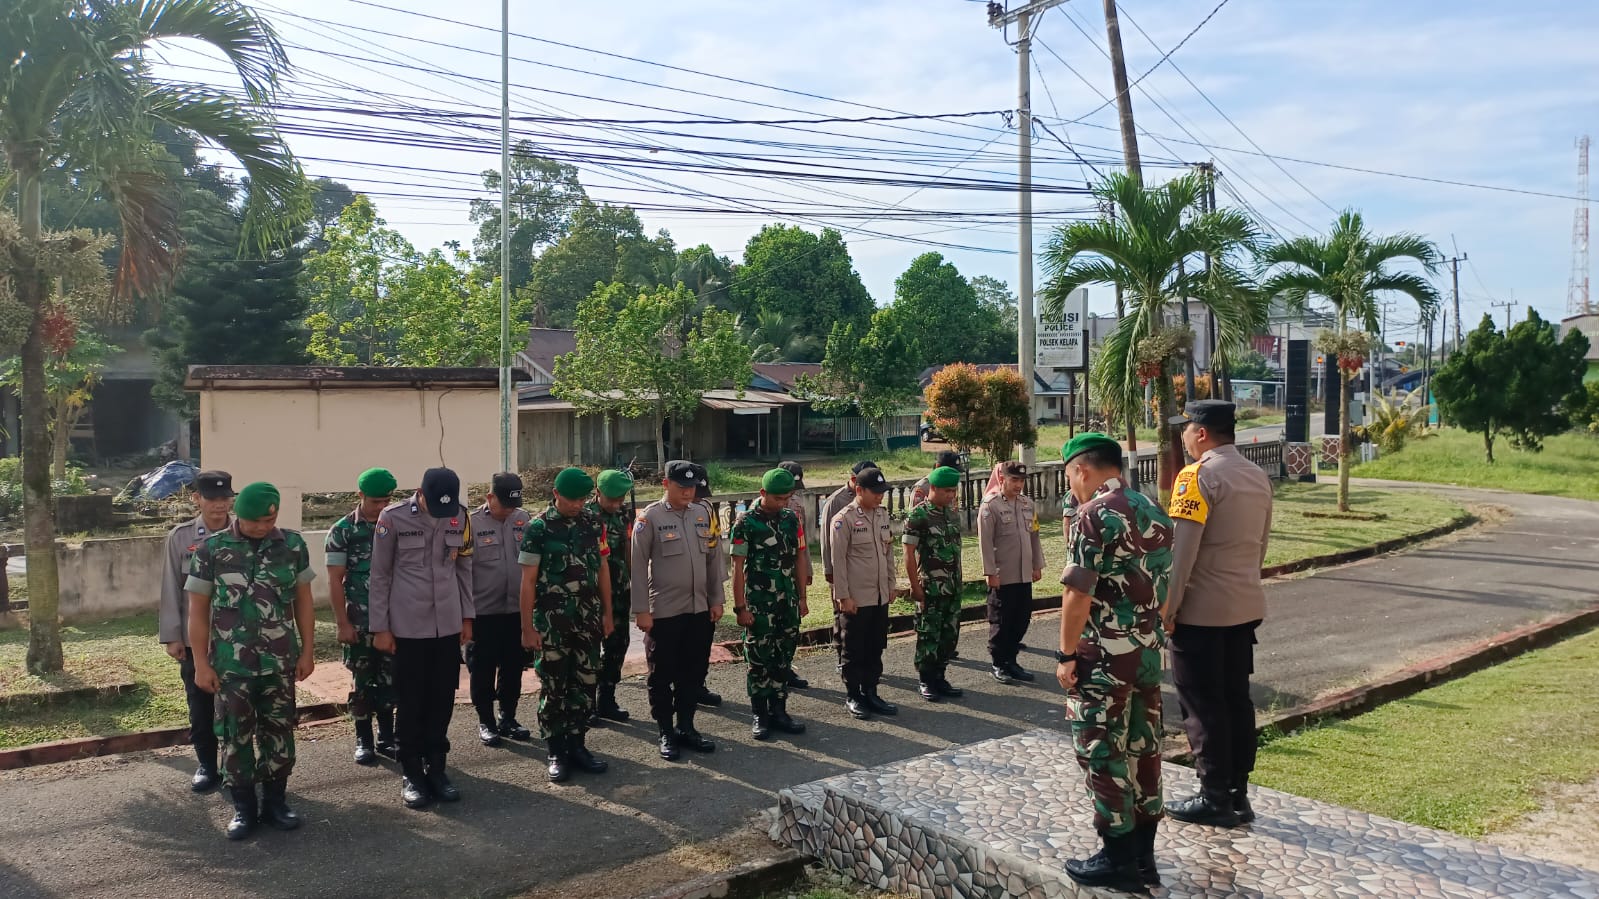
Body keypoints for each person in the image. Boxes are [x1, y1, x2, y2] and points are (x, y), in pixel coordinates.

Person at [1054, 434, 1174, 891]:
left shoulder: (1093, 516)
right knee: (1144, 748)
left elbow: (1077, 592)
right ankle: (1144, 858)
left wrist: (1066, 655)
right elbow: (1162, 587)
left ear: (1082, 469)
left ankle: (1118, 858)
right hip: (1145, 653)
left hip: (1103, 656)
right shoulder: (1152, 509)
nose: (1073, 486)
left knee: (1100, 749)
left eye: (1070, 476)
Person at [1163, 399, 1274, 828]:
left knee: (1202, 705)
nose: (1184, 436)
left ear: (1202, 433)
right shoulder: (1256, 475)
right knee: (1234, 700)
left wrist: (1168, 610)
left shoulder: (1197, 476)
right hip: (1243, 606)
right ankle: (1237, 793)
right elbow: (1261, 546)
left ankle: (1214, 797)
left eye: (1186, 429)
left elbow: (1181, 554)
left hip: (1202, 613)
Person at [184, 482, 316, 841]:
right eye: (254, 521)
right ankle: (244, 807)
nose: (262, 527)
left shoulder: (291, 545)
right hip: (231, 666)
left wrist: (308, 650)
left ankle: (276, 802)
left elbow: (303, 601)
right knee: (234, 735)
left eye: (268, 520)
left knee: (280, 731)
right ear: (238, 514)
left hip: (279, 661)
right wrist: (201, 663)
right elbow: (197, 612)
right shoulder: (212, 549)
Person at [369, 468, 474, 810]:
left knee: (442, 699)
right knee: (411, 701)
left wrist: (467, 616)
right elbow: (380, 575)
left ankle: (437, 768)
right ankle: (412, 773)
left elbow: (463, 569)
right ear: (419, 493)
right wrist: (380, 627)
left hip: (447, 624)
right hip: (407, 625)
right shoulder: (392, 518)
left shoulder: (458, 516)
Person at [519, 467, 613, 782]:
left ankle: (578, 745)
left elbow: (602, 569)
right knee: (554, 686)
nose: (577, 504)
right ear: (556, 494)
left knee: (586, 683)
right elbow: (528, 581)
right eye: (571, 499)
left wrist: (608, 613)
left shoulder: (593, 523)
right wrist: (527, 628)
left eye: (582, 499)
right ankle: (556, 751)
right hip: (550, 623)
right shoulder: (538, 528)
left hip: (587, 619)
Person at [632, 461, 725, 760]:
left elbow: (713, 559)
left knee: (692, 672)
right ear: (665, 484)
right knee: (662, 674)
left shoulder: (703, 514)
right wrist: (641, 611)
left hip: (698, 609)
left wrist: (716, 598)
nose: (688, 492)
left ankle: (686, 727)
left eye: (692, 487)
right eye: (681, 486)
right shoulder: (649, 519)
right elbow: (636, 567)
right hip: (664, 612)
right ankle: (665, 731)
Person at [157, 469, 233, 793]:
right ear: (197, 499)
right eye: (211, 499)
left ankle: (234, 767)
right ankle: (206, 764)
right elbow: (171, 589)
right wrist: (173, 635)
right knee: (199, 706)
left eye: (225, 498)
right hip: (194, 640)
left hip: (236, 640)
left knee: (235, 707)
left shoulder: (244, 533)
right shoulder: (181, 538)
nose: (219, 505)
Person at [325, 468, 398, 766]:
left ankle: (387, 738)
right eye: (375, 502)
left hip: (393, 622)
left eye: (386, 501)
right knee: (363, 681)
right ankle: (363, 739)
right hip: (359, 621)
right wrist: (342, 624)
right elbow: (334, 581)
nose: (381, 507)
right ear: (360, 496)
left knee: (390, 680)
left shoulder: (395, 526)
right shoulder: (343, 530)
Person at [731, 468, 810, 741]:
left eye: (787, 498)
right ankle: (759, 714)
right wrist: (740, 608)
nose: (783, 503)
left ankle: (779, 711)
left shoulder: (791, 518)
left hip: (787, 602)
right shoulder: (745, 522)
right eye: (778, 498)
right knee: (758, 660)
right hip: (758, 605)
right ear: (762, 493)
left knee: (783, 657)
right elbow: (738, 568)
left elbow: (800, 557)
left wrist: (802, 597)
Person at [468, 472, 533, 747]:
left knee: (513, 667)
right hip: (483, 613)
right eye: (503, 504)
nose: (508, 510)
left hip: (516, 611)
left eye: (513, 505)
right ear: (489, 497)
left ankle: (508, 717)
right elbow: (461, 573)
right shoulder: (471, 523)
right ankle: (486, 721)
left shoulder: (524, 520)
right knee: (482, 670)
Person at [829, 467, 897, 719]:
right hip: (857, 597)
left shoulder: (882, 515)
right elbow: (839, 562)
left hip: (879, 595)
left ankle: (871, 691)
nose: (880, 497)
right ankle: (853, 695)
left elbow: (888, 553)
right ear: (859, 490)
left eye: (883, 492)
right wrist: (843, 596)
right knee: (853, 649)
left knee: (875, 646)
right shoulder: (843, 519)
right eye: (875, 492)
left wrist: (890, 584)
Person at [979, 460, 1044, 684]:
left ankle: (1012, 660)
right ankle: (999, 663)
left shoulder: (1028, 504)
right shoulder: (990, 505)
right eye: (1014, 480)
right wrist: (990, 572)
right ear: (1002, 479)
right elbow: (985, 542)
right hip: (1003, 574)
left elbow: (1034, 536)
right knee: (1001, 621)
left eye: (1022, 480)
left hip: (1024, 573)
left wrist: (1037, 565)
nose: (1018, 485)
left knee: (1022, 618)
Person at [903, 465, 964, 702]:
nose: (951, 495)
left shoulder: (952, 513)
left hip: (953, 585)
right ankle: (926, 679)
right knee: (929, 633)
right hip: (930, 586)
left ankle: (941, 676)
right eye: (947, 491)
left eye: (953, 491)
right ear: (934, 488)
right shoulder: (918, 515)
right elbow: (908, 553)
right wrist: (914, 586)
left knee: (949, 633)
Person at [588, 469, 635, 724]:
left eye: (621, 499)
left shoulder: (625, 513)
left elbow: (629, 547)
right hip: (593, 595)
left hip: (620, 591)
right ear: (598, 493)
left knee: (618, 646)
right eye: (612, 499)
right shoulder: (587, 516)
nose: (616, 504)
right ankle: (588, 704)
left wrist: (634, 581)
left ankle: (607, 698)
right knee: (592, 649)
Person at [776, 459, 813, 690]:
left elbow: (803, 544)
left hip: (792, 572)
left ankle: (786, 668)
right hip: (770, 575)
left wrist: (807, 569)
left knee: (790, 626)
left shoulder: (797, 506)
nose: (792, 495)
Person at [819, 459, 876, 585]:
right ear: (854, 479)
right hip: (844, 564)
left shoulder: (872, 496)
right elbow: (826, 538)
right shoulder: (836, 501)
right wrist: (829, 569)